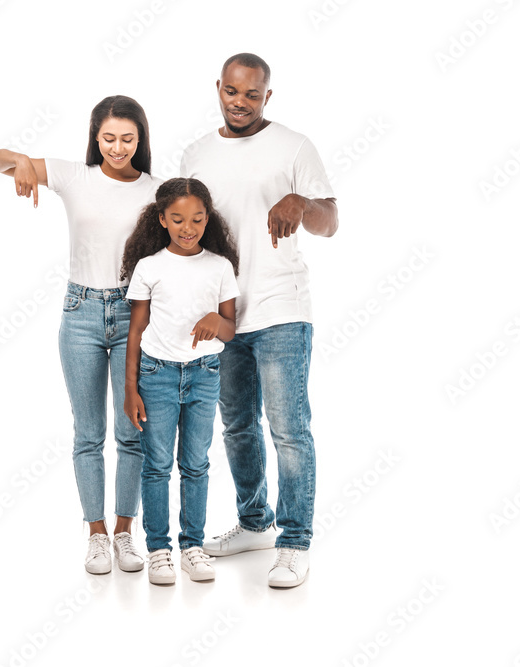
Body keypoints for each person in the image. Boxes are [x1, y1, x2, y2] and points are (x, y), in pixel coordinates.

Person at [180, 53, 339, 588]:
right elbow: (185, 232)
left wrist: (300, 202)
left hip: (280, 309)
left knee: (289, 429)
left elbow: (331, 222)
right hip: (223, 315)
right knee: (238, 425)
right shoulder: (196, 153)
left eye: (252, 94)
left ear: (267, 96)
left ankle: (295, 541)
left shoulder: (294, 146)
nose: (240, 102)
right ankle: (254, 523)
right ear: (218, 89)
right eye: (231, 91)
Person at [0, 96, 160, 575]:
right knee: (88, 434)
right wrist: (21, 161)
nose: (118, 147)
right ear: (94, 138)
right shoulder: (73, 176)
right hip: (80, 311)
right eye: (108, 138)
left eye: (127, 138)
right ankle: (96, 535)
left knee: (131, 431)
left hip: (133, 314)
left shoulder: (157, 190)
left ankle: (126, 533)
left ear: (140, 139)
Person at [121, 178, 240, 585]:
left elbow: (230, 329)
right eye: (177, 219)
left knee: (196, 464)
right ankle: (159, 550)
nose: (188, 228)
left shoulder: (220, 267)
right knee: (156, 466)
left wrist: (216, 321)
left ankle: (192, 546)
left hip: (204, 376)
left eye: (197, 219)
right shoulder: (150, 266)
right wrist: (130, 389)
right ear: (162, 220)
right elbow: (135, 331)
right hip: (156, 375)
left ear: (209, 219)